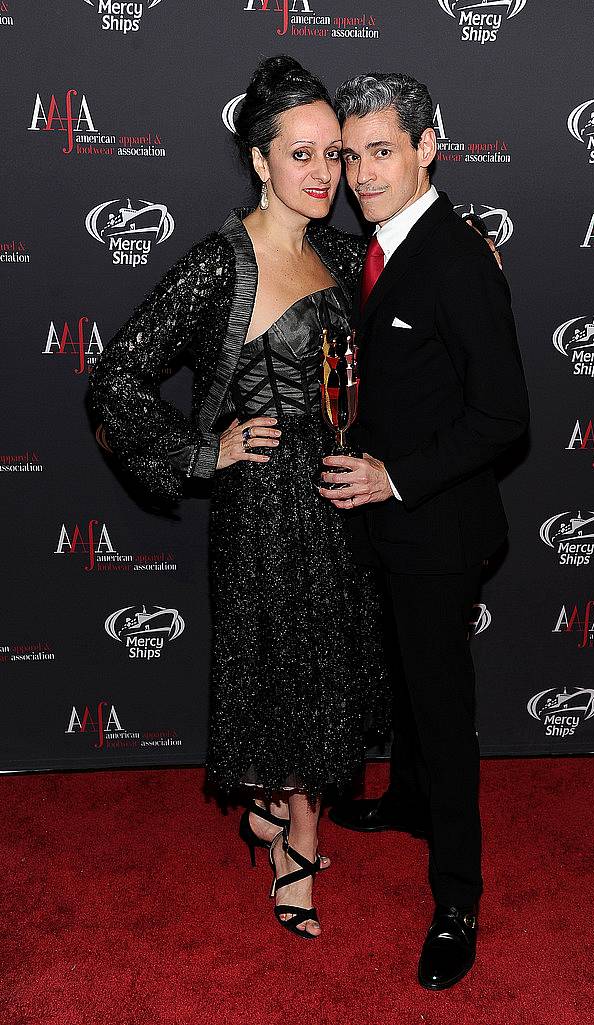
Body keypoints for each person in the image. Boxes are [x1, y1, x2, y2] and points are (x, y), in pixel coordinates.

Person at [86, 55, 392, 940]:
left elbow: (412, 272)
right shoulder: (221, 266)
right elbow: (116, 378)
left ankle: (273, 808)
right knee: (284, 675)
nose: (325, 174)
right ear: (259, 161)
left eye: (334, 155)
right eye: (303, 155)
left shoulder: (338, 247)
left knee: (328, 673)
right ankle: (296, 838)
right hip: (264, 510)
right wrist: (200, 449)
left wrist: (471, 244)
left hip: (342, 497)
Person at [319, 73, 530, 988]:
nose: (362, 173)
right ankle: (406, 800)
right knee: (403, 676)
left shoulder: (455, 257)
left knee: (443, 713)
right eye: (350, 153)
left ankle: (456, 899)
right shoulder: (375, 247)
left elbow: (504, 415)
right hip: (385, 520)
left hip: (437, 526)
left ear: (426, 147)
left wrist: (395, 476)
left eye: (381, 151)